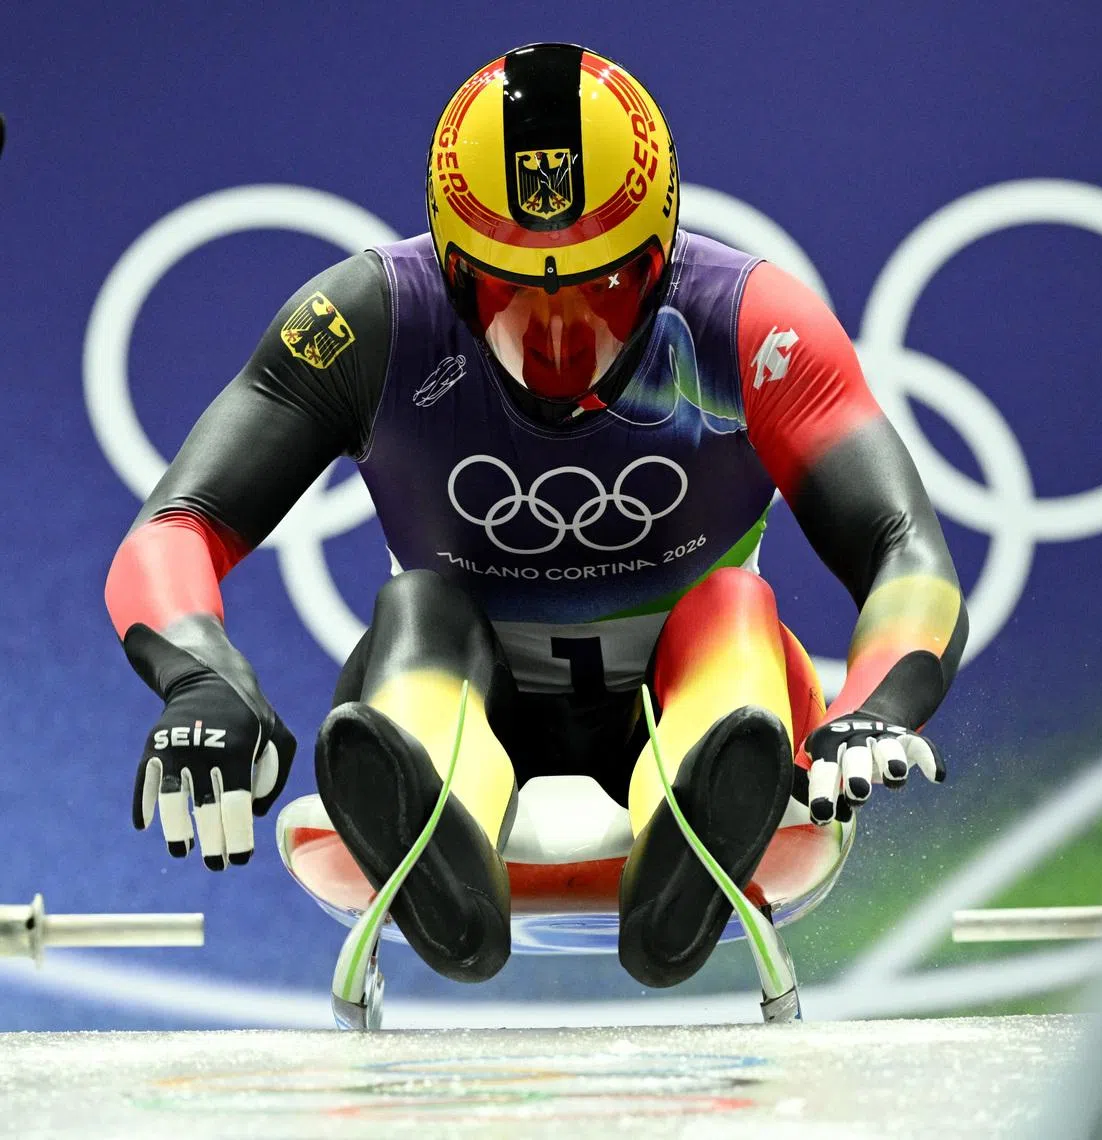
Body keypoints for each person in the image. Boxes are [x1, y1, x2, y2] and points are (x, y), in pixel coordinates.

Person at [104, 42, 967, 989]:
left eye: (604, 287)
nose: (557, 339)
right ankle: (444, 826)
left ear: (661, 253)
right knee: (418, 610)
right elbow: (177, 525)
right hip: (466, 694)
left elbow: (901, 545)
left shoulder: (753, 323)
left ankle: (688, 820)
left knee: (731, 608)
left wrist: (875, 707)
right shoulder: (364, 321)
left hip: (703, 697)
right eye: (509, 289)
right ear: (450, 262)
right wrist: (205, 678)